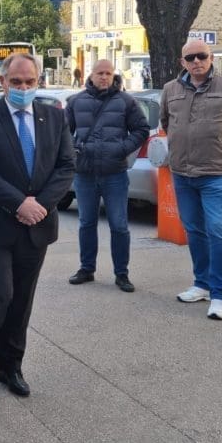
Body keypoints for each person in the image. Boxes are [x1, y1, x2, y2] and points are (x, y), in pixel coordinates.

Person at [0, 54, 75, 398]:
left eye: (30, 82)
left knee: (22, 299)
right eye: (17, 82)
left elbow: (66, 166)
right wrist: (18, 203)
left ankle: (12, 366)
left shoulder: (54, 117)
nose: (23, 88)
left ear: (38, 81)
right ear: (3, 82)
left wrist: (40, 205)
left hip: (36, 224)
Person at [160, 40, 222, 321]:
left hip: (216, 173)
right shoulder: (171, 89)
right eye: (190, 57)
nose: (196, 61)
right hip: (182, 172)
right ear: (182, 62)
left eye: (201, 56)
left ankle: (220, 294)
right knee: (194, 230)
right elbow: (167, 123)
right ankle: (201, 284)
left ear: (211, 57)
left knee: (219, 232)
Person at [65, 60, 150, 292]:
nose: (104, 77)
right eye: (99, 73)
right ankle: (86, 268)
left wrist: (122, 148)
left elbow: (142, 130)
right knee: (86, 223)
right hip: (85, 173)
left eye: (108, 73)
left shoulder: (126, 101)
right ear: (90, 75)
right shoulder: (75, 101)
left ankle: (122, 274)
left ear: (114, 75)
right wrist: (75, 149)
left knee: (119, 225)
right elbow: (62, 133)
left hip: (115, 173)